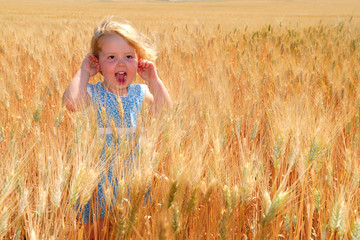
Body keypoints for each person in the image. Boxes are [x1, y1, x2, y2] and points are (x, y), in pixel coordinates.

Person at [62, 17, 172, 238]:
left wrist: (154, 80)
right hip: (98, 181)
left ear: (138, 61)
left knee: (131, 230)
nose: (121, 63)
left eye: (128, 57)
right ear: (98, 64)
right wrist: (84, 72)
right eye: (111, 57)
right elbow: (71, 103)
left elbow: (166, 112)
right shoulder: (94, 93)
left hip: (132, 180)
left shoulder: (140, 93)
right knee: (96, 233)